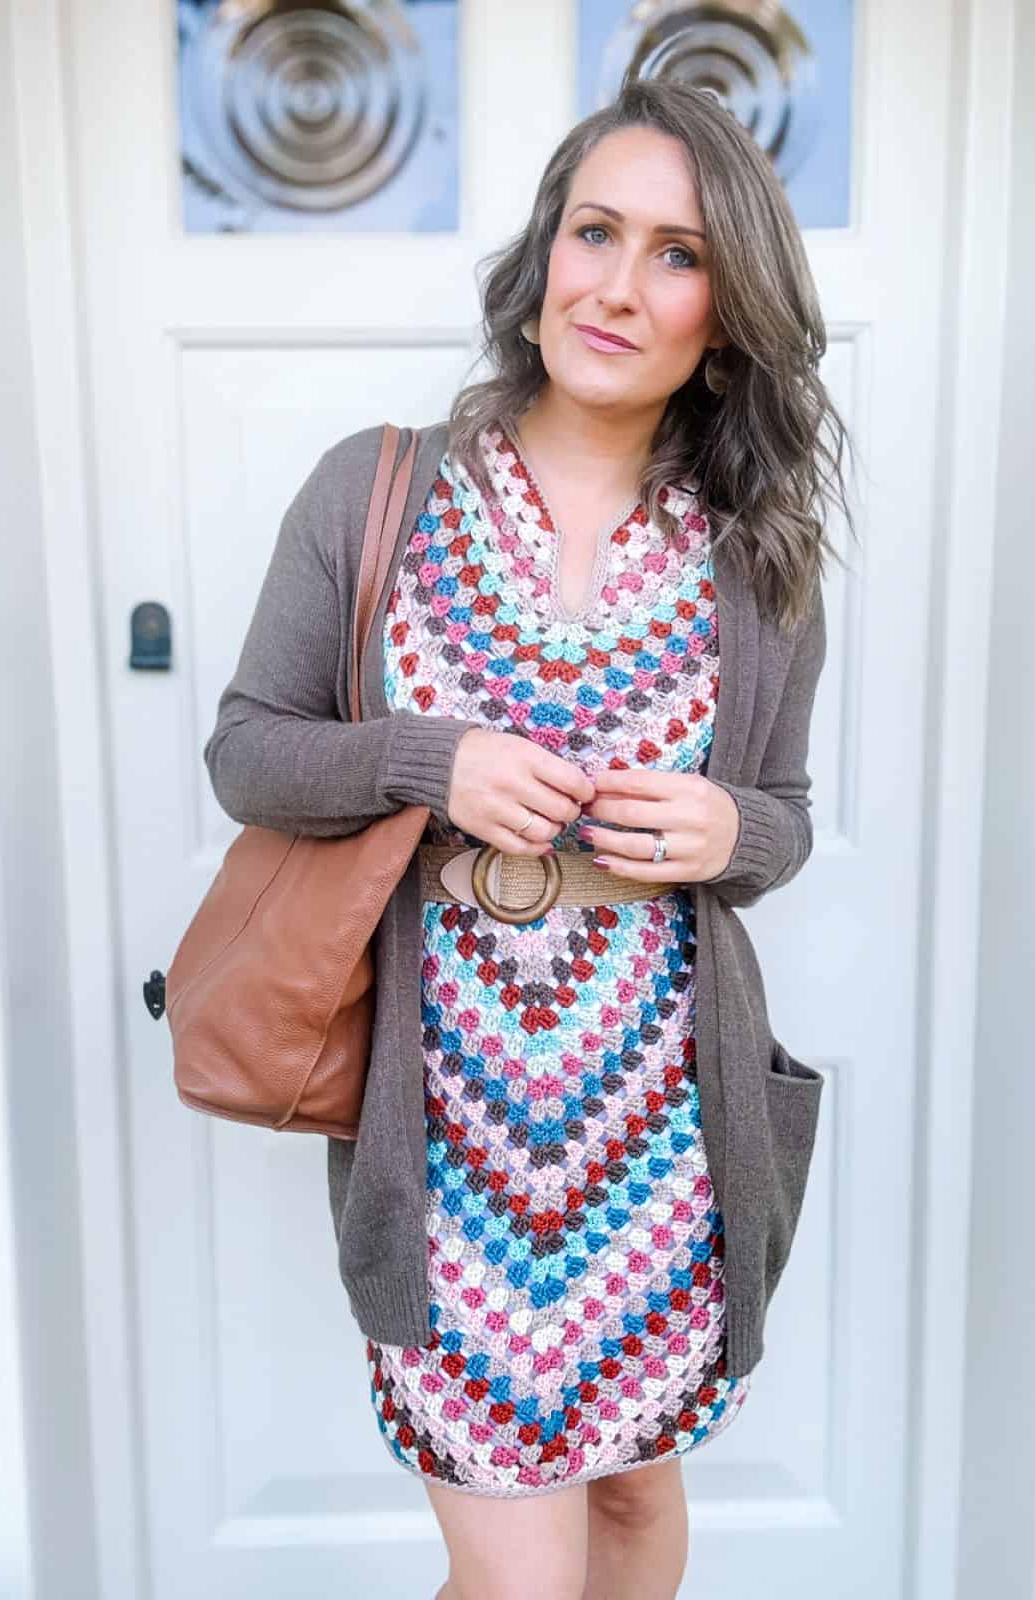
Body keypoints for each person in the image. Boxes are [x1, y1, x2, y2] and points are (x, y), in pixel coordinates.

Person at [205, 75, 855, 1600]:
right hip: (452, 1132)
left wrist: (724, 827)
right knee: (515, 1574)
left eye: (679, 254)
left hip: (661, 1135)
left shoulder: (757, 559)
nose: (620, 286)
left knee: (629, 1517)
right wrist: (429, 762)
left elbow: (786, 829)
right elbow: (249, 751)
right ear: (543, 255)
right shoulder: (380, 490)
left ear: (731, 307)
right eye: (595, 231)